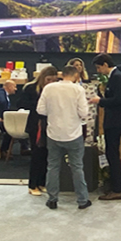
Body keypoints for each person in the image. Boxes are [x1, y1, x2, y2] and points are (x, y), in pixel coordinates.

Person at [37, 65, 91, 211]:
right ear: (76, 76)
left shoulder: (49, 88)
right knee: (77, 167)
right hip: (73, 134)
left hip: (53, 134)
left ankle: (52, 199)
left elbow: (40, 110)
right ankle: (82, 200)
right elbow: (84, 113)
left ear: (62, 74)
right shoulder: (78, 89)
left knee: (53, 167)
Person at [91, 53, 121, 201]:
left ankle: (118, 188)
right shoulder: (116, 76)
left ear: (105, 64)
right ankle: (118, 185)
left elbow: (118, 100)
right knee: (112, 152)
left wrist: (100, 101)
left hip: (116, 120)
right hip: (115, 120)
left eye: (99, 67)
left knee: (112, 153)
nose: (98, 71)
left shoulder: (117, 77)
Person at [19, 66, 59, 196]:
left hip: (51, 124)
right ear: (42, 78)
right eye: (48, 79)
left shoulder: (56, 89)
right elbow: (21, 103)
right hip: (36, 125)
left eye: (53, 80)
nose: (50, 82)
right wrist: (40, 103)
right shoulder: (31, 88)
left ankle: (42, 182)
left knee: (47, 155)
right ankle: (32, 185)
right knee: (36, 155)